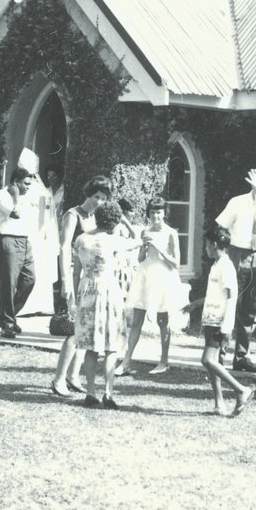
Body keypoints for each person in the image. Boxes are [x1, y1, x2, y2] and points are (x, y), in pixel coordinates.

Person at [71, 200, 141, 409]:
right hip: (108, 290)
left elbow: (76, 272)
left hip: (87, 291)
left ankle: (90, 391)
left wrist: (75, 298)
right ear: (114, 222)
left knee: (91, 346)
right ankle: (108, 392)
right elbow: (137, 240)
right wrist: (125, 221)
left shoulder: (81, 239)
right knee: (110, 346)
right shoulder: (114, 241)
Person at [215, 168, 256, 373]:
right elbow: (220, 227)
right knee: (228, 304)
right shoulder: (237, 202)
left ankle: (241, 357)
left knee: (250, 310)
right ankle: (218, 355)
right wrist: (223, 257)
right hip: (237, 254)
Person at [50, 175, 112, 396]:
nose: (99, 202)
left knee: (84, 331)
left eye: (103, 199)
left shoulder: (96, 218)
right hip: (74, 278)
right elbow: (64, 248)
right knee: (75, 330)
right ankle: (58, 379)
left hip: (89, 279)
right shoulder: (73, 215)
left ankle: (73, 376)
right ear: (88, 194)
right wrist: (66, 281)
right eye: (96, 197)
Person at [185, 224, 253, 416]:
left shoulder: (226, 266)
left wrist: (226, 326)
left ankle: (241, 390)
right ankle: (219, 404)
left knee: (207, 360)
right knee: (213, 362)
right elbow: (216, 295)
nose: (205, 248)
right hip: (210, 320)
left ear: (214, 244)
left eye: (207, 244)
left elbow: (232, 297)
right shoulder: (217, 265)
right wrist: (196, 304)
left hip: (219, 323)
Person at [118, 197, 182, 376]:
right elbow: (140, 258)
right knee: (137, 320)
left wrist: (160, 249)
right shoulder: (145, 230)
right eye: (153, 212)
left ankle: (164, 362)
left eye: (159, 212)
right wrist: (144, 247)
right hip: (145, 276)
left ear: (164, 213)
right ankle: (126, 361)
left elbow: (176, 263)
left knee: (163, 321)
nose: (156, 216)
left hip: (163, 277)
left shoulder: (171, 233)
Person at [0, 168, 35, 339]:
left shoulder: (26, 197)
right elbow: (15, 214)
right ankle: (7, 323)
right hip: (6, 239)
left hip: (24, 241)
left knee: (30, 279)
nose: (28, 188)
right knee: (8, 284)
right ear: (15, 182)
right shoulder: (2, 195)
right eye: (25, 184)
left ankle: (7, 315)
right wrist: (16, 195)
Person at [17, 154, 60, 317]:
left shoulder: (28, 189)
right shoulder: (43, 189)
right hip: (43, 236)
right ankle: (42, 304)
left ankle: (28, 305)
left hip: (33, 235)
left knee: (33, 270)